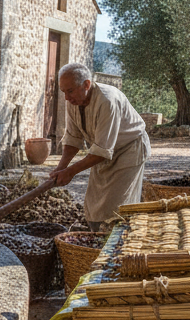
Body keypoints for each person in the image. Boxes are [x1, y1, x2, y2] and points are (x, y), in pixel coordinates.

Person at [47, 62, 150, 230]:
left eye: (70, 91)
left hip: (129, 150)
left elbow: (101, 151)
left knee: (118, 207)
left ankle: (119, 246)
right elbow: (73, 139)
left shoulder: (107, 100)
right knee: (95, 205)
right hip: (103, 151)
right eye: (63, 92)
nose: (66, 97)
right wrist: (60, 169)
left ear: (86, 84)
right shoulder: (73, 102)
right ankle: (98, 240)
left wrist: (70, 172)